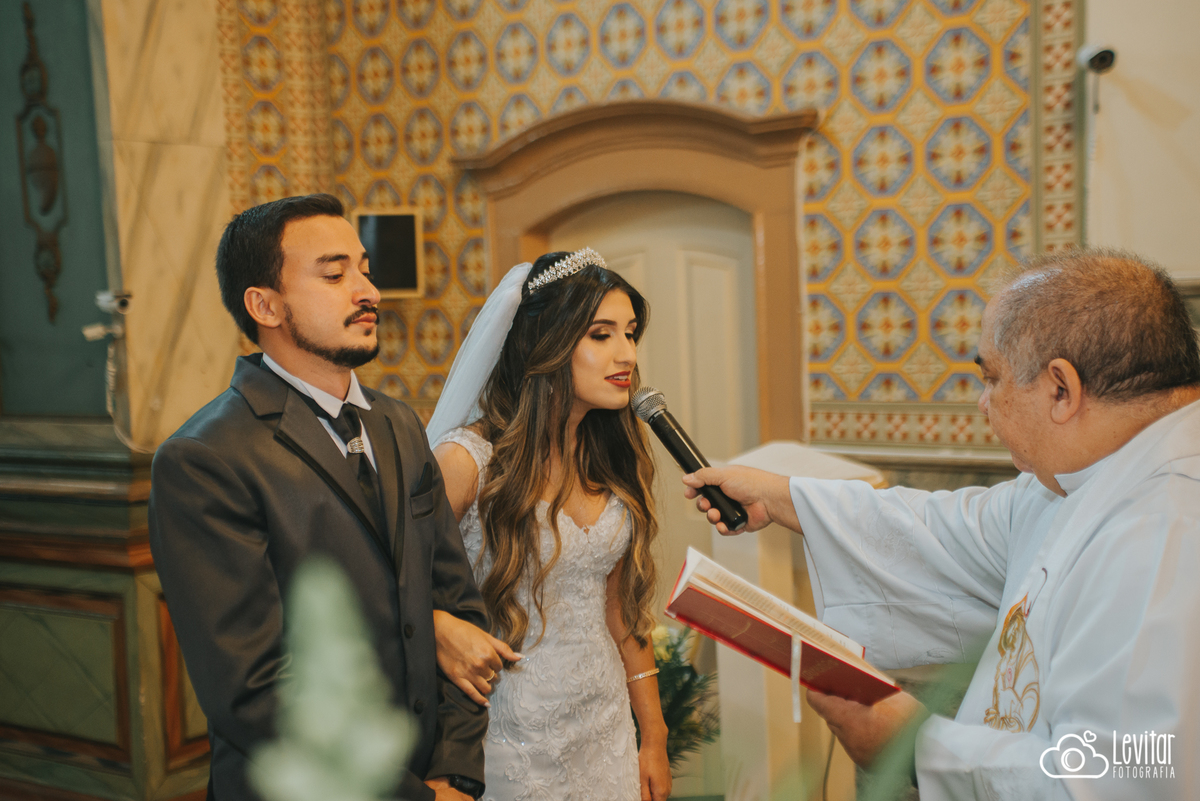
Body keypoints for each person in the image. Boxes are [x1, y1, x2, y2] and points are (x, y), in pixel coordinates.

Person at [683, 249, 1200, 799]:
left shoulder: (1167, 529)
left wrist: (914, 743)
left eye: (992, 377)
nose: (983, 403)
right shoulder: (1092, 476)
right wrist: (782, 496)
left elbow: (1124, 779)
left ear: (1061, 390)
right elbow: (948, 532)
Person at [148, 194, 487, 801]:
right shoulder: (205, 458)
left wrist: (456, 770)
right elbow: (252, 689)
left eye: (364, 269)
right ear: (266, 305)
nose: (368, 292)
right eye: (334, 274)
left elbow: (455, 603)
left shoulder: (399, 425)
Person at [423, 250, 673, 801]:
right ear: (549, 345)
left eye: (630, 334)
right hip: (510, 733)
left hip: (604, 728)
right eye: (601, 335)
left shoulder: (612, 458)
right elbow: (394, 586)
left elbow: (621, 610)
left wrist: (652, 734)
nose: (626, 353)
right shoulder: (469, 462)